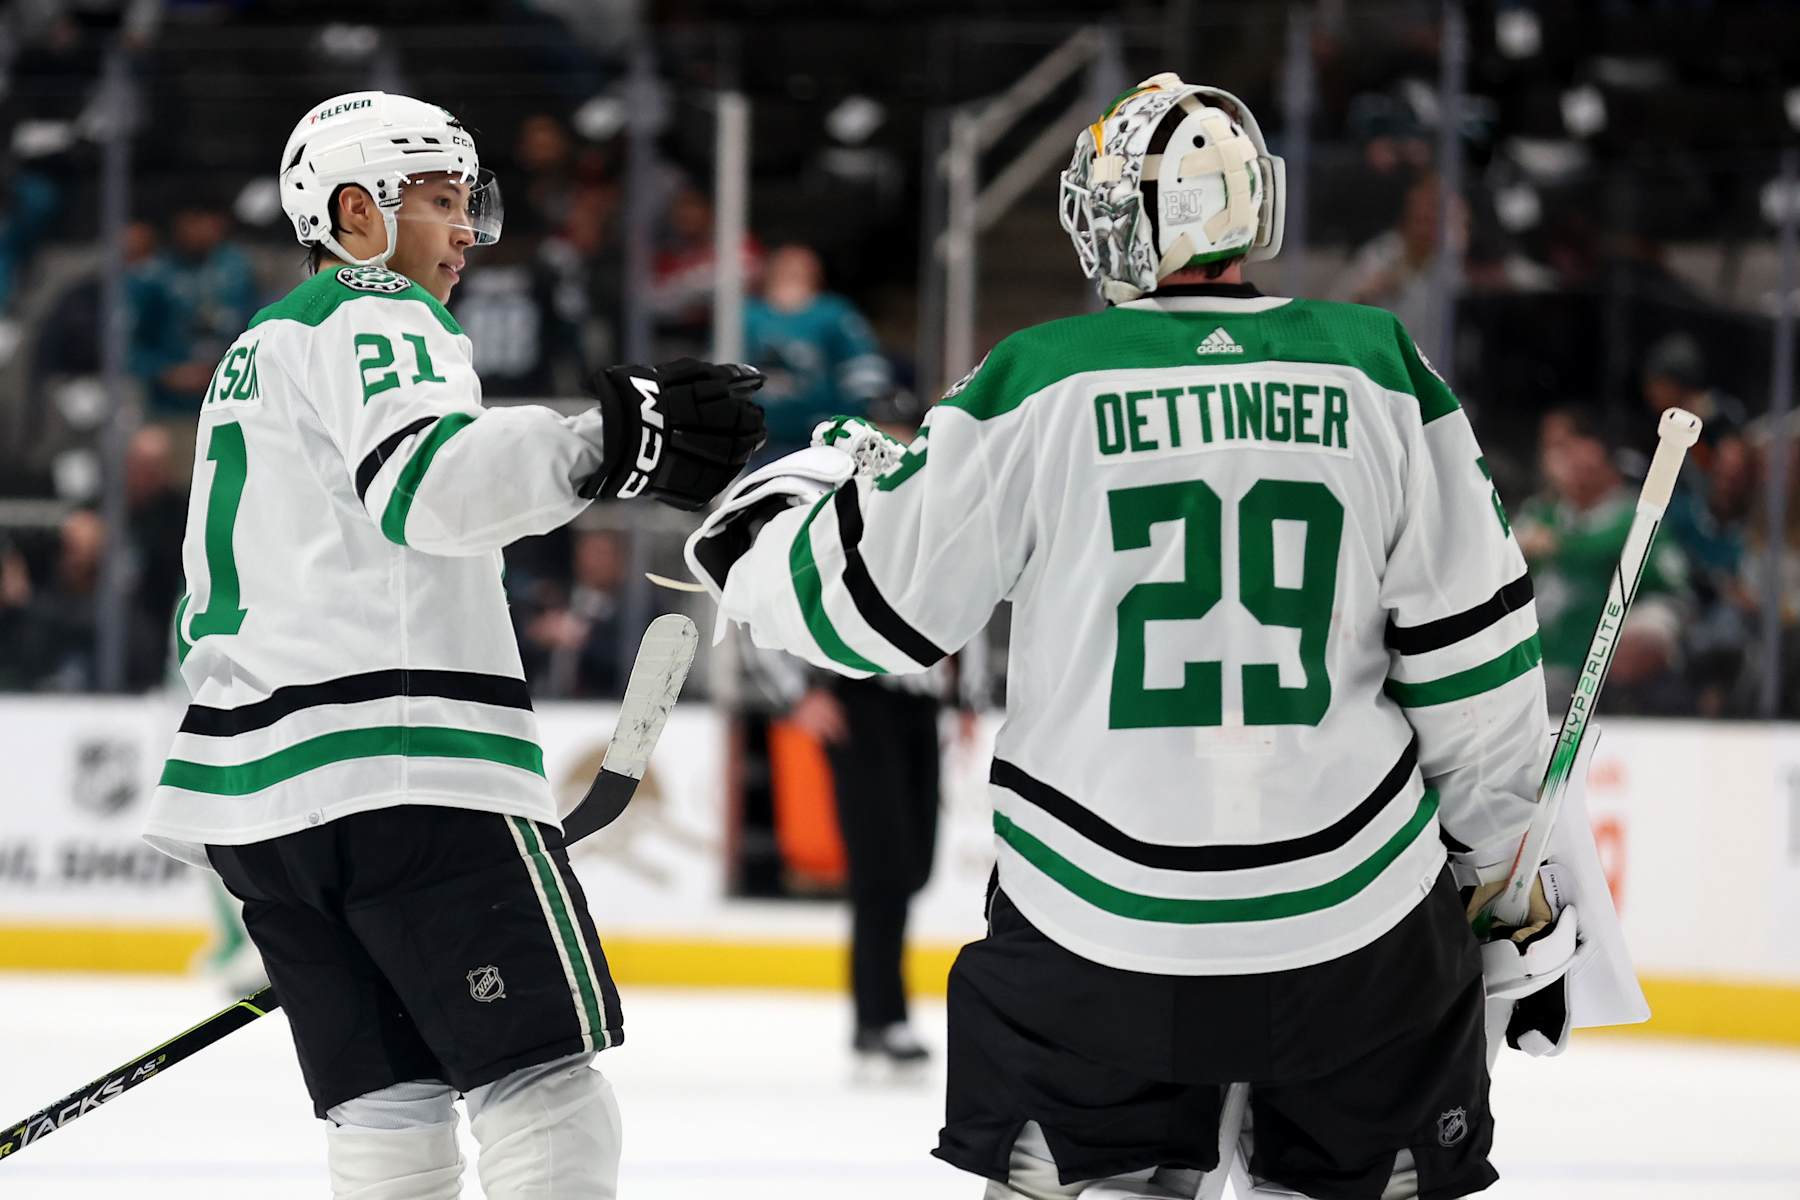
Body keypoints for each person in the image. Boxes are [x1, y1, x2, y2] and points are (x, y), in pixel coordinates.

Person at [682, 74, 1643, 1199]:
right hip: (1357, 923)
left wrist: (760, 530)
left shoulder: (1037, 378)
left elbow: (869, 614)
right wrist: (1513, 889)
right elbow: (1476, 671)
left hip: (1095, 921)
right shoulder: (1382, 368)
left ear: (1121, 218)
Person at [139, 91, 765, 1199]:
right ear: (356, 214)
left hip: (263, 809)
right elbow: (427, 487)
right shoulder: (377, 311)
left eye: (468, 201)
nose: (467, 229)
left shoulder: (258, 349)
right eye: (437, 201)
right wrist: (608, 444)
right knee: (544, 1086)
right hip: (404, 770)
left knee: (389, 1113)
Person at [743, 243, 893, 459]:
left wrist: (858, 417)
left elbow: (864, 367)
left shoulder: (834, 313)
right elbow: (725, 370)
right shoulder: (747, 315)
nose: (791, 273)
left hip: (823, 439)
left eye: (799, 268)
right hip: (760, 441)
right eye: (785, 268)